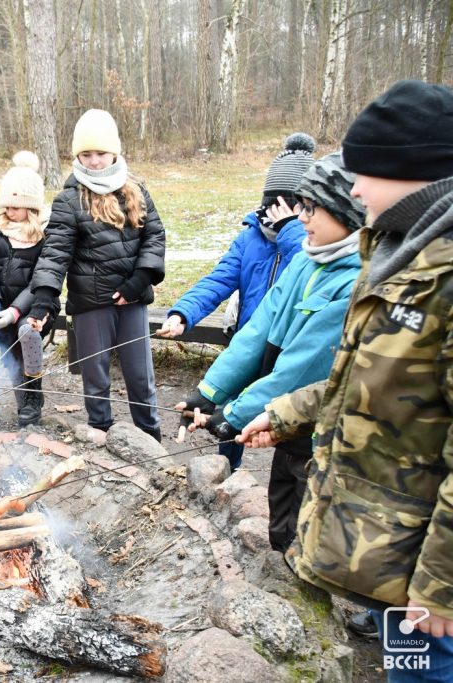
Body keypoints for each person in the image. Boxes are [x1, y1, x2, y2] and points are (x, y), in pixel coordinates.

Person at [239, 80, 453, 682]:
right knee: (405, 667)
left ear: (413, 172)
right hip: (393, 544)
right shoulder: (395, 252)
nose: (354, 187)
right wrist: (283, 413)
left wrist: (440, 585)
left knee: (428, 673)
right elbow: (359, 377)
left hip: (432, 571)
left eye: (365, 172)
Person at [179, 152, 364, 552]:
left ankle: (309, 596)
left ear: (345, 212)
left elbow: (301, 368)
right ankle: (284, 567)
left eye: (311, 208)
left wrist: (234, 414)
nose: (300, 218)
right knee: (283, 495)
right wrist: (210, 392)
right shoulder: (306, 261)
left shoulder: (353, 282)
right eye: (300, 207)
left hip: (320, 426)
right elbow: (256, 331)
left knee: (309, 512)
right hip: (285, 418)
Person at [157, 133, 315, 469]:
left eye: (288, 203)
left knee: (286, 427)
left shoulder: (311, 244)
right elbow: (219, 279)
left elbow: (304, 268)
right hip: (246, 344)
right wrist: (183, 313)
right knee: (228, 418)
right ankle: (228, 473)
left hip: (289, 353)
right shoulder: (250, 237)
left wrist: (290, 231)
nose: (275, 211)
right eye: (271, 200)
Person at [27, 109, 165, 440]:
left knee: (139, 374)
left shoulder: (136, 191)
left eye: (100, 153)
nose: (94, 161)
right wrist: (45, 297)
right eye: (85, 155)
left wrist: (140, 279)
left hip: (132, 298)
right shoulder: (69, 200)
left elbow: (155, 236)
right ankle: (100, 434)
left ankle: (150, 437)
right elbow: (55, 251)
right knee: (96, 376)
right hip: (91, 304)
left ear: (114, 152)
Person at [0, 152, 52, 427]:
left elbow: (40, 279)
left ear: (31, 207)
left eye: (16, 207)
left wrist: (15, 310)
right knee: (11, 354)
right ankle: (25, 405)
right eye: (6, 206)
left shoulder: (45, 235)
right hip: (3, 304)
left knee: (25, 335)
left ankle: (33, 395)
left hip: (36, 304)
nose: (9, 212)